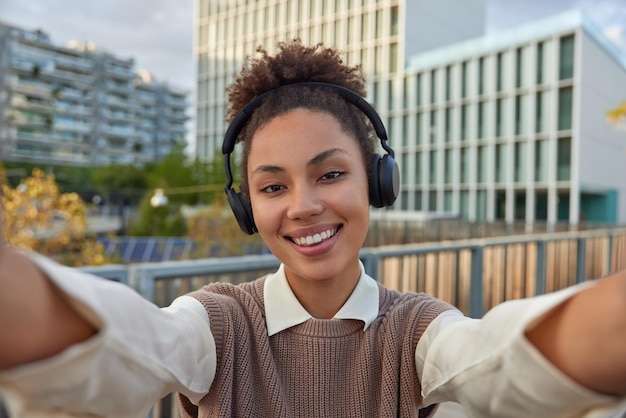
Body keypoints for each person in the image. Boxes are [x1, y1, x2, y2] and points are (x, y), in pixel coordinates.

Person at [0, 39, 625, 418]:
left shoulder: (420, 329)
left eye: (329, 175)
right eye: (272, 187)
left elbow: (502, 360)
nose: (302, 206)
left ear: (377, 182)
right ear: (247, 208)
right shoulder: (215, 322)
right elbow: (134, 349)